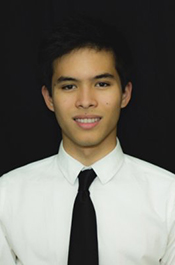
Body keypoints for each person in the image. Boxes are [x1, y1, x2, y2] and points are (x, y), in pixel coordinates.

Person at [0, 15, 175, 265]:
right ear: (49, 98)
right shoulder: (7, 195)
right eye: (69, 86)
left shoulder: (169, 198)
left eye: (102, 83)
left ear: (125, 93)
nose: (85, 101)